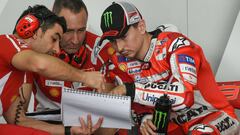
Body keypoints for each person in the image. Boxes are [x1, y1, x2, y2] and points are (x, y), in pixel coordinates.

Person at [99, 1, 240, 135]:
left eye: (123, 37)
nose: (119, 47)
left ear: (141, 26)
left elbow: (184, 98)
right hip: (176, 127)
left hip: (215, 116)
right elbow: (138, 107)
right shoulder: (120, 63)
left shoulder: (176, 44)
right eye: (113, 41)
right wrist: (146, 119)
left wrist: (130, 89)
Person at [1, 5, 104, 135]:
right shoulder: (6, 41)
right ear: (31, 29)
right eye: (54, 39)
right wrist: (84, 77)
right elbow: (40, 64)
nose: (57, 49)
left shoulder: (23, 72)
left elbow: (19, 121)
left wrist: (69, 130)